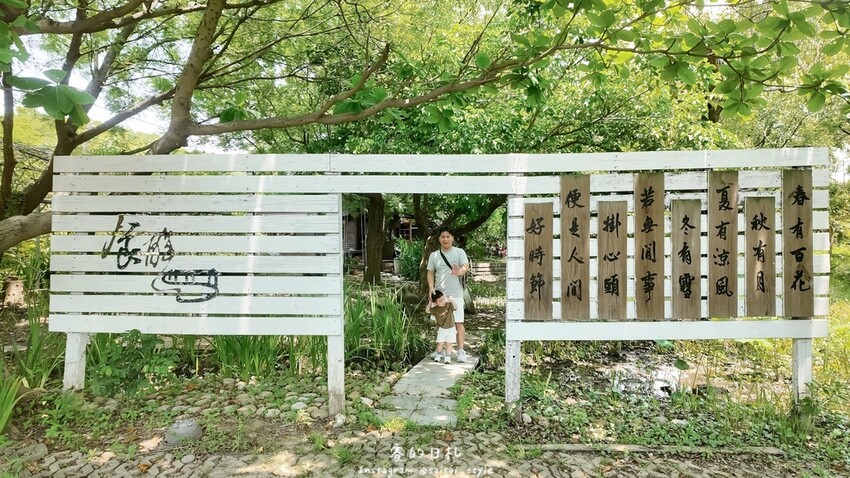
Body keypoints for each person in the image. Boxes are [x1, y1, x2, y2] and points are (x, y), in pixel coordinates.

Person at [427, 227, 470, 362]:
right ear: (439, 239)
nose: (445, 239)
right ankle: (440, 349)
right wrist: (430, 288)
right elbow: (430, 272)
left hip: (456, 293)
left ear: (452, 238)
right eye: (443, 237)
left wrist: (460, 272)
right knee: (440, 323)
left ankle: (461, 350)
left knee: (458, 323)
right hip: (440, 294)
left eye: (448, 236)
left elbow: (465, 265)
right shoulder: (434, 255)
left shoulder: (459, 252)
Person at [428, 290, 456, 364]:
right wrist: (430, 302)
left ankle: (448, 357)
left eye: (443, 299)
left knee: (449, 343)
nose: (443, 301)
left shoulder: (448, 305)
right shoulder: (435, 309)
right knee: (440, 343)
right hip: (441, 328)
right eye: (440, 301)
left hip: (451, 328)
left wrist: (451, 300)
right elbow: (427, 311)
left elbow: (456, 307)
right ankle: (438, 355)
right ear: (435, 302)